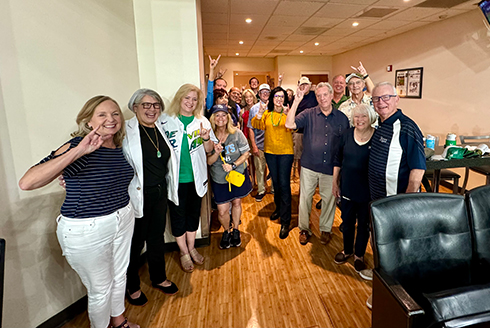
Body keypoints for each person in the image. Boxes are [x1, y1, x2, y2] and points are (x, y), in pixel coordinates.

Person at [19, 96, 139, 328]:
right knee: (100, 290)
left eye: (115, 114)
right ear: (88, 120)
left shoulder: (120, 146)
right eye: (102, 115)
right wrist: (79, 151)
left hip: (123, 217)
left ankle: (119, 321)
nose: (111, 119)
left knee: (119, 276)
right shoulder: (78, 145)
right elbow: (28, 182)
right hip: (87, 228)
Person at [364, 82, 426, 309]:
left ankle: (393, 296)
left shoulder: (407, 127)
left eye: (386, 97)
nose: (382, 102)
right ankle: (384, 279)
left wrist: (407, 201)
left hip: (396, 203)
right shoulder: (380, 125)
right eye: (377, 99)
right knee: (380, 243)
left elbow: (418, 169)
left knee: (395, 248)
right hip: (378, 199)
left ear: (396, 99)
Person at [123, 89, 179, 307]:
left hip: (159, 193)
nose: (152, 109)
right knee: (135, 243)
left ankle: (159, 278)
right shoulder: (126, 131)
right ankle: (132, 286)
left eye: (156, 105)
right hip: (138, 195)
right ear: (135, 107)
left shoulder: (159, 129)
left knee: (156, 238)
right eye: (146, 105)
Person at [160, 84, 217, 273]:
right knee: (177, 217)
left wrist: (206, 139)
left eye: (194, 99)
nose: (190, 102)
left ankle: (192, 247)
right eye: (187, 98)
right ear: (179, 99)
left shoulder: (203, 122)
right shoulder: (165, 121)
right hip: (175, 180)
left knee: (193, 215)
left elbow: (210, 151)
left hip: (195, 179)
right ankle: (183, 251)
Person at [285, 83, 349, 246]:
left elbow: (344, 144)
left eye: (325, 95)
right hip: (309, 165)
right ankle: (304, 229)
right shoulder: (308, 114)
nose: (322, 98)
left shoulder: (341, 118)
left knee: (329, 199)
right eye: (318, 96)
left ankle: (326, 229)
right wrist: (296, 102)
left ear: (331, 94)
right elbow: (289, 125)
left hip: (331, 168)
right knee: (305, 198)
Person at [332, 104, 377, 273]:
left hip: (368, 189)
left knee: (364, 224)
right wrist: (335, 183)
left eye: (363, 116)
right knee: (348, 222)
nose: (360, 120)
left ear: (370, 117)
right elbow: (337, 160)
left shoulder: (377, 136)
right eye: (356, 117)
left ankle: (359, 255)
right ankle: (348, 250)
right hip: (348, 187)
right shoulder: (345, 135)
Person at [207, 104, 252, 249]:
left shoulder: (236, 133)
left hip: (236, 174)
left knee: (237, 203)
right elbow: (209, 161)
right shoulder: (210, 137)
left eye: (223, 115)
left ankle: (236, 231)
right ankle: (226, 231)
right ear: (213, 118)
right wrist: (215, 152)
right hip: (219, 178)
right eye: (217, 115)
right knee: (222, 209)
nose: (221, 118)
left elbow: (246, 153)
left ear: (228, 117)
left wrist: (233, 165)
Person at [252, 86, 294, 239]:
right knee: (275, 184)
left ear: (285, 99)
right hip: (270, 152)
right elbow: (256, 124)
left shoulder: (288, 114)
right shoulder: (267, 114)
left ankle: (286, 220)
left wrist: (289, 115)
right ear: (271, 99)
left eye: (282, 97)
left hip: (285, 153)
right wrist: (261, 112)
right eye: (276, 96)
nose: (279, 99)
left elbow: (294, 128)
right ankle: (279, 209)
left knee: (284, 184)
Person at [248, 84, 271, 202]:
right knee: (260, 168)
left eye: (267, 92)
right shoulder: (254, 109)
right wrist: (254, 145)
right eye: (263, 92)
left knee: (273, 169)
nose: (265, 94)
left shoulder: (274, 106)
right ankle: (261, 190)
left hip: (273, 145)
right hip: (259, 144)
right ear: (259, 94)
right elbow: (250, 128)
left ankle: (273, 188)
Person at [241, 89, 258, 186]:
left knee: (259, 161)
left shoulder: (257, 108)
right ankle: (252, 182)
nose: (248, 99)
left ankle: (262, 181)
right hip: (246, 138)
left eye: (250, 97)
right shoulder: (242, 110)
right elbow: (241, 124)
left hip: (256, 137)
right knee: (250, 161)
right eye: (246, 97)